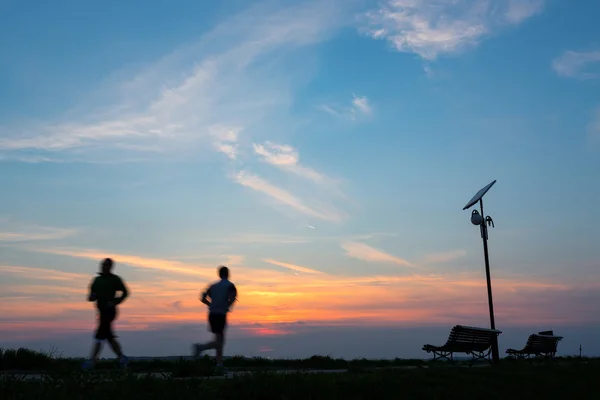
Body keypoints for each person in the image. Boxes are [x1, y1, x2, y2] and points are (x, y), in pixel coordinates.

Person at [82, 258, 129, 370]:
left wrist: (115, 301)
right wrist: (92, 297)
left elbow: (125, 292)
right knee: (108, 336)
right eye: (104, 265)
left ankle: (92, 361)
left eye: (108, 265)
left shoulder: (115, 279)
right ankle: (122, 358)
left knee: (100, 334)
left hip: (110, 311)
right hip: (101, 311)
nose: (105, 267)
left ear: (111, 267)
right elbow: (91, 296)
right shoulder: (97, 280)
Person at [193, 265, 237, 372]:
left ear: (219, 274)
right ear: (228, 274)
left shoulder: (213, 286)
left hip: (212, 314)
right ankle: (201, 348)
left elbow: (203, 298)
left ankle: (219, 364)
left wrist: (210, 304)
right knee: (220, 341)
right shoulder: (230, 285)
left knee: (219, 339)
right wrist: (227, 306)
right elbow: (232, 297)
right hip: (221, 314)